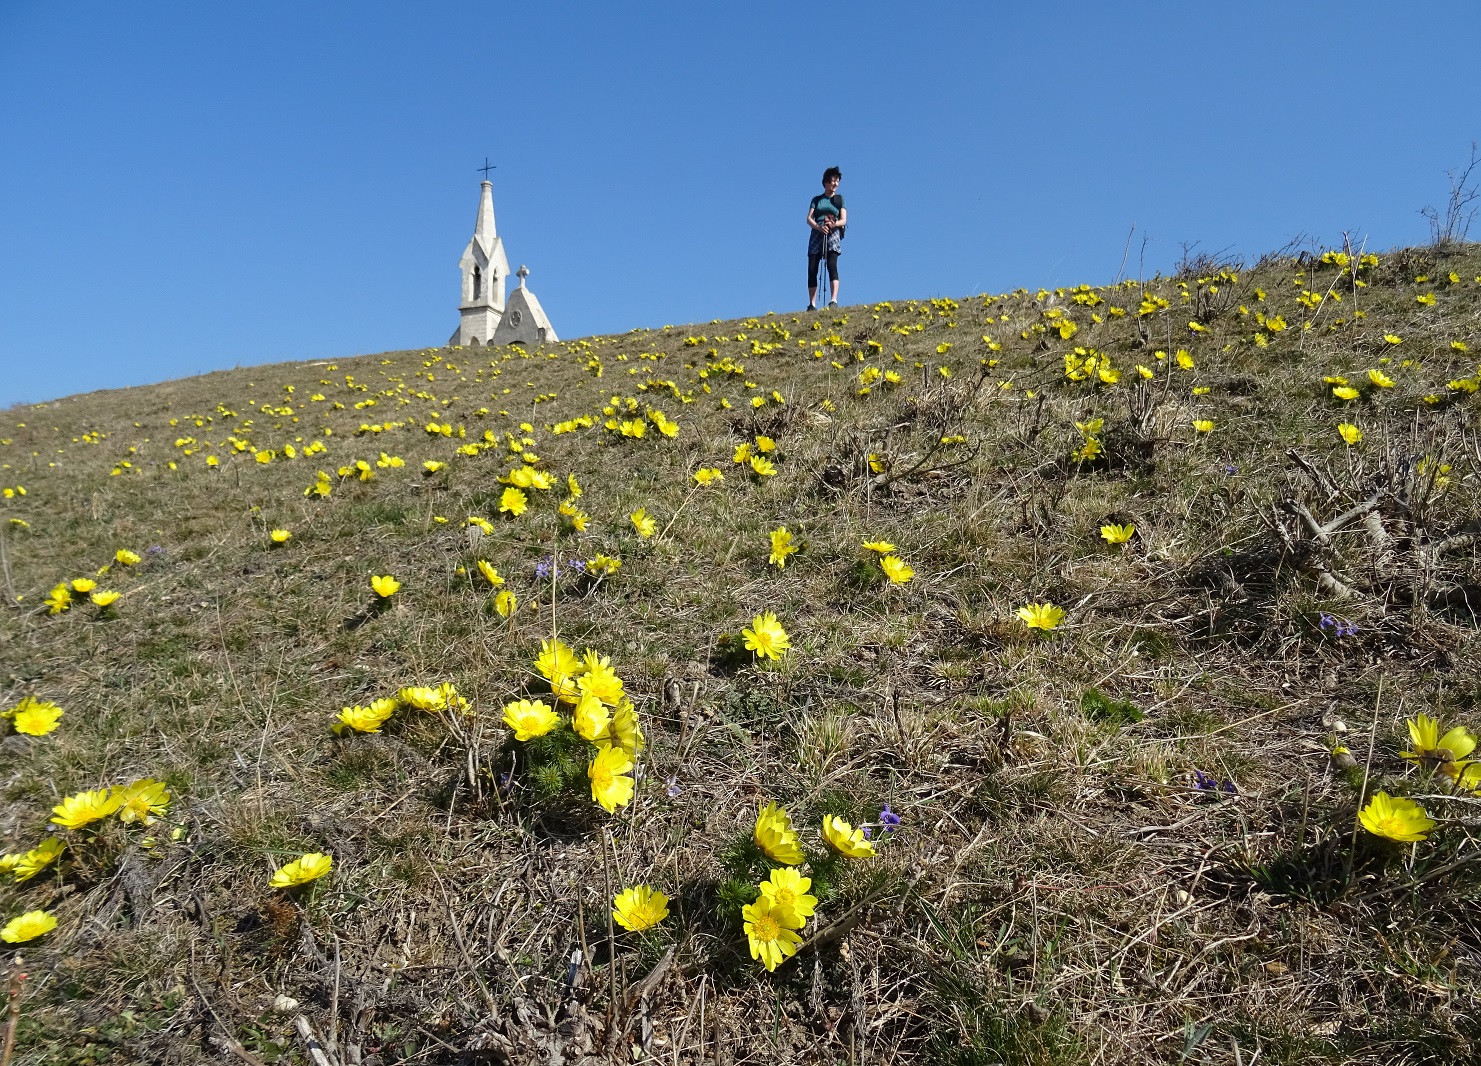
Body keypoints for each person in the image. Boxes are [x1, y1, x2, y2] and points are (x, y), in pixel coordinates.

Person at [806, 166, 846, 310]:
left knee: (831, 265)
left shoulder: (839, 199)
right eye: (833, 181)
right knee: (812, 268)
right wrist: (818, 226)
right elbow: (808, 218)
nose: (835, 184)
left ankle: (833, 300)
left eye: (837, 181)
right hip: (817, 232)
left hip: (833, 232)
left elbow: (844, 220)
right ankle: (812, 303)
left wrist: (834, 224)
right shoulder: (816, 200)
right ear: (826, 182)